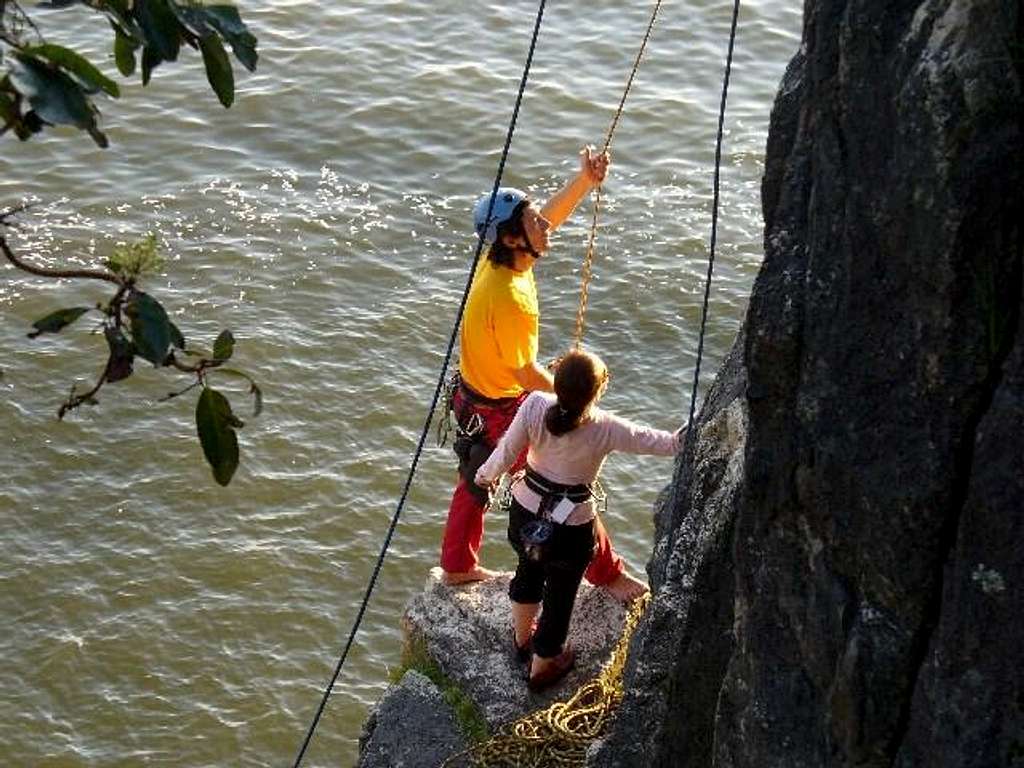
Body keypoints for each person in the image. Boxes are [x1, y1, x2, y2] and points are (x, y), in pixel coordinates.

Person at [440, 146, 647, 602]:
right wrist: (578, 392)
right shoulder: (509, 298)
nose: (544, 226)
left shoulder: (501, 260)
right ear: (514, 239)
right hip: (502, 404)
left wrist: (584, 181)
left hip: (476, 396)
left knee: (477, 478)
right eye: (533, 223)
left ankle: (456, 565)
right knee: (566, 481)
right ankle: (609, 575)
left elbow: (548, 216)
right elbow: (524, 373)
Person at [475, 349, 683, 691]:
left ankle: (521, 640)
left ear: (556, 382)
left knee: (528, 569)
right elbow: (654, 441)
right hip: (570, 529)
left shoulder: (534, 405)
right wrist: (679, 441)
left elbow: (506, 452)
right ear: (597, 392)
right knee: (560, 596)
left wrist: (484, 477)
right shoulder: (605, 427)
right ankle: (542, 667)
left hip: (525, 511)